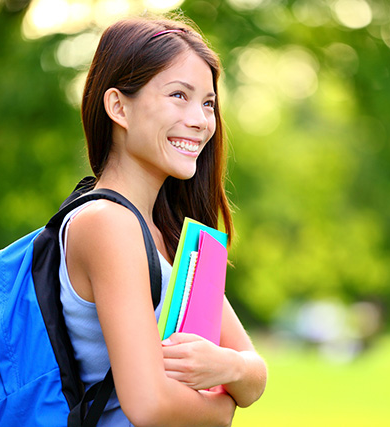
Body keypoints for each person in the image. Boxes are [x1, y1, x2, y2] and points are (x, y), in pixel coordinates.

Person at [58, 15, 267, 426]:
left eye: (208, 102)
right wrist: (225, 405)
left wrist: (229, 368)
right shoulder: (107, 224)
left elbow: (256, 373)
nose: (201, 120)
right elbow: (150, 405)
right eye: (178, 95)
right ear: (118, 106)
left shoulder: (171, 234)